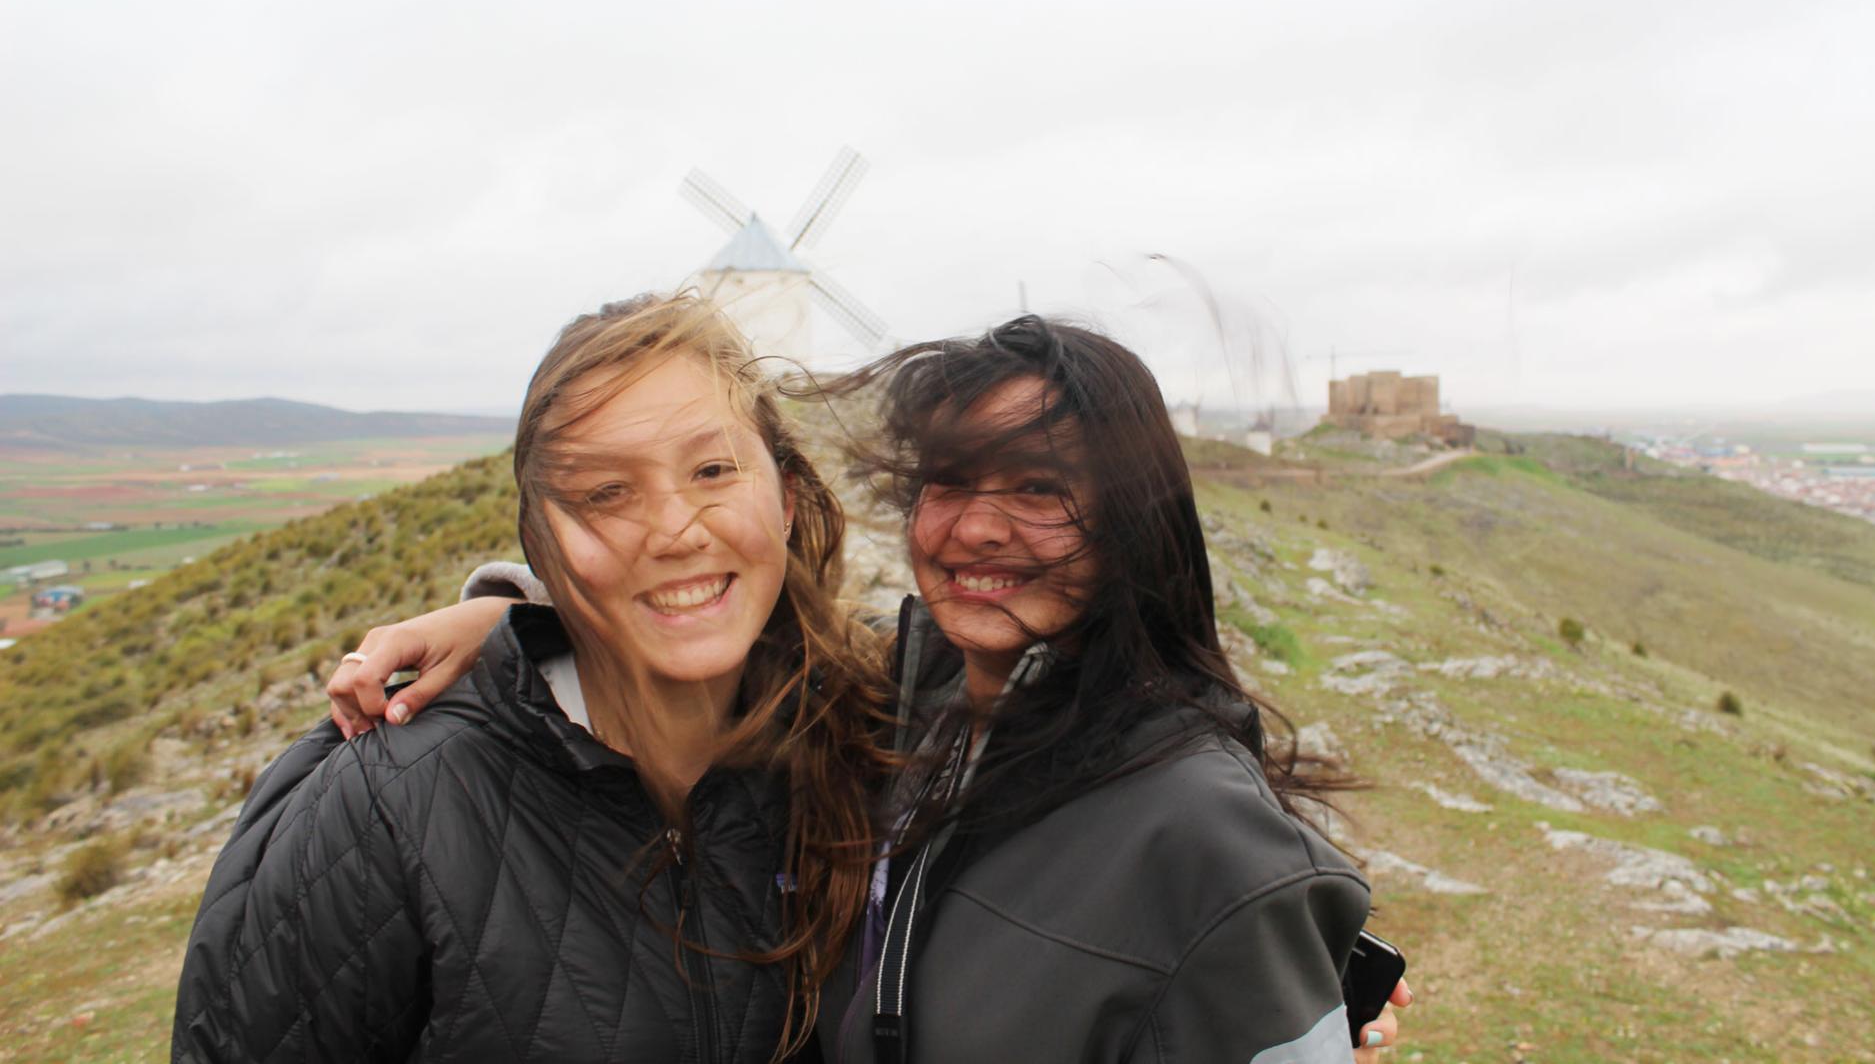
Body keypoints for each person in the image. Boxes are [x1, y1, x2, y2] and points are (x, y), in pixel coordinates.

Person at [333, 315, 1413, 1063]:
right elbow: (723, 634)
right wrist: (520, 620)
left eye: (1041, 488)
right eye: (950, 483)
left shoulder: (1208, 842)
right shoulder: (904, 704)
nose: (977, 527)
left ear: (1135, 518)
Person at [174, 294, 893, 1062]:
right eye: (606, 494)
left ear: (784, 498)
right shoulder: (393, 807)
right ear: (539, 539)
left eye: (714, 469)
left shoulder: (871, 734)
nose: (677, 528)